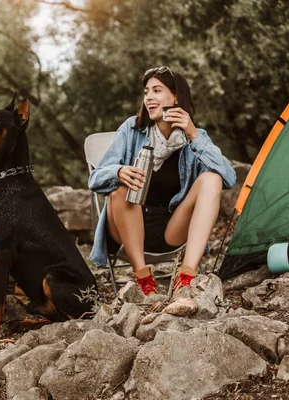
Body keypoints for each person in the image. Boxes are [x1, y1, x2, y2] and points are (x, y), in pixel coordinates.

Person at [88, 66, 236, 297]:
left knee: (211, 179)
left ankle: (186, 275)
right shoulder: (132, 129)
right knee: (123, 185)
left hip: (171, 230)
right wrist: (117, 172)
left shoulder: (195, 137)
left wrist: (193, 135)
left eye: (157, 90)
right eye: (146, 92)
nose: (148, 97)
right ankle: (143, 278)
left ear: (176, 96)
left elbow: (229, 178)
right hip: (127, 228)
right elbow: (95, 180)